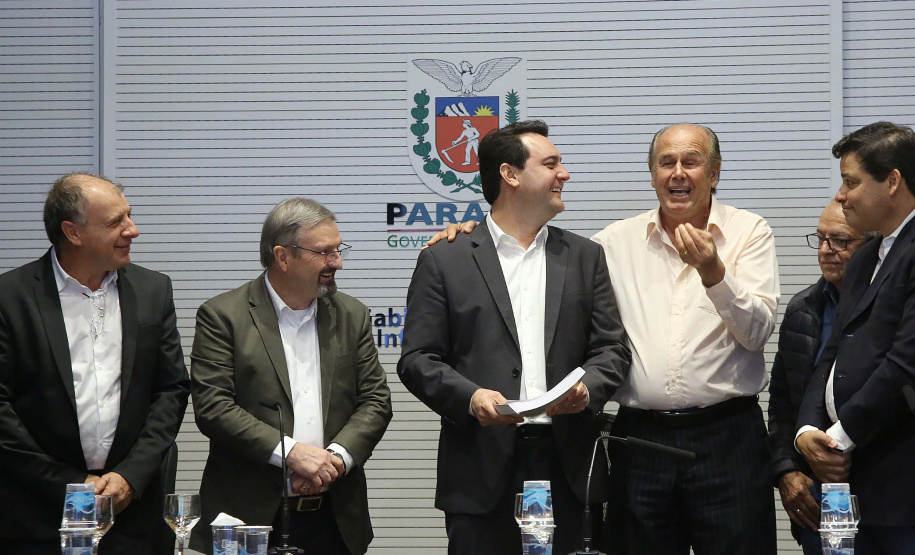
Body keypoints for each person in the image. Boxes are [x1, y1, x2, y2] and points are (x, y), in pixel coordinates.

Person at [428, 122, 780, 554]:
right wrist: (471, 236)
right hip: (641, 440)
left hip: (728, 435)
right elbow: (520, 250)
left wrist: (713, 271)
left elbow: (757, 333)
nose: (677, 173)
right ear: (652, 175)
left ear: (714, 172)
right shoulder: (611, 244)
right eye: (666, 162)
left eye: (691, 162)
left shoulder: (749, 232)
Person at [398, 120, 631, 555]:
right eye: (551, 164)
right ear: (510, 174)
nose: (564, 174)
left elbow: (612, 349)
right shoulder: (445, 258)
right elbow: (418, 358)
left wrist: (587, 389)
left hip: (568, 466)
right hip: (480, 469)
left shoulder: (585, 256)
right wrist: (471, 398)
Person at [0, 172, 191, 554]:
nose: (132, 230)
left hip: (132, 516)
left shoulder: (153, 290)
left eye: (129, 216)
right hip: (37, 516)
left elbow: (171, 390)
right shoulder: (10, 298)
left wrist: (130, 476)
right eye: (115, 222)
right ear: (72, 232)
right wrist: (69, 484)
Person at [189, 197, 392, 555]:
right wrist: (292, 454)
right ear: (283, 257)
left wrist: (333, 462)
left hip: (334, 518)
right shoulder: (223, 316)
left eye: (338, 249)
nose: (337, 262)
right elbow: (214, 408)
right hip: (248, 518)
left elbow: (375, 401)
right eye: (324, 252)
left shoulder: (352, 314)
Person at [796, 121, 915, 554]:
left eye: (851, 182)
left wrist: (839, 438)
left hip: (898, 485)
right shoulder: (866, 257)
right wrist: (807, 432)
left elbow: (906, 365)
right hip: (840, 480)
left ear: (893, 182)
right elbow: (832, 355)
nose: (841, 195)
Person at [768, 201, 874, 554]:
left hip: (885, 482)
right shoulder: (804, 309)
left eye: (840, 240)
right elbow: (783, 401)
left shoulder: (894, 307)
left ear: (873, 244)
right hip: (823, 488)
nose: (826, 250)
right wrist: (786, 471)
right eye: (821, 239)